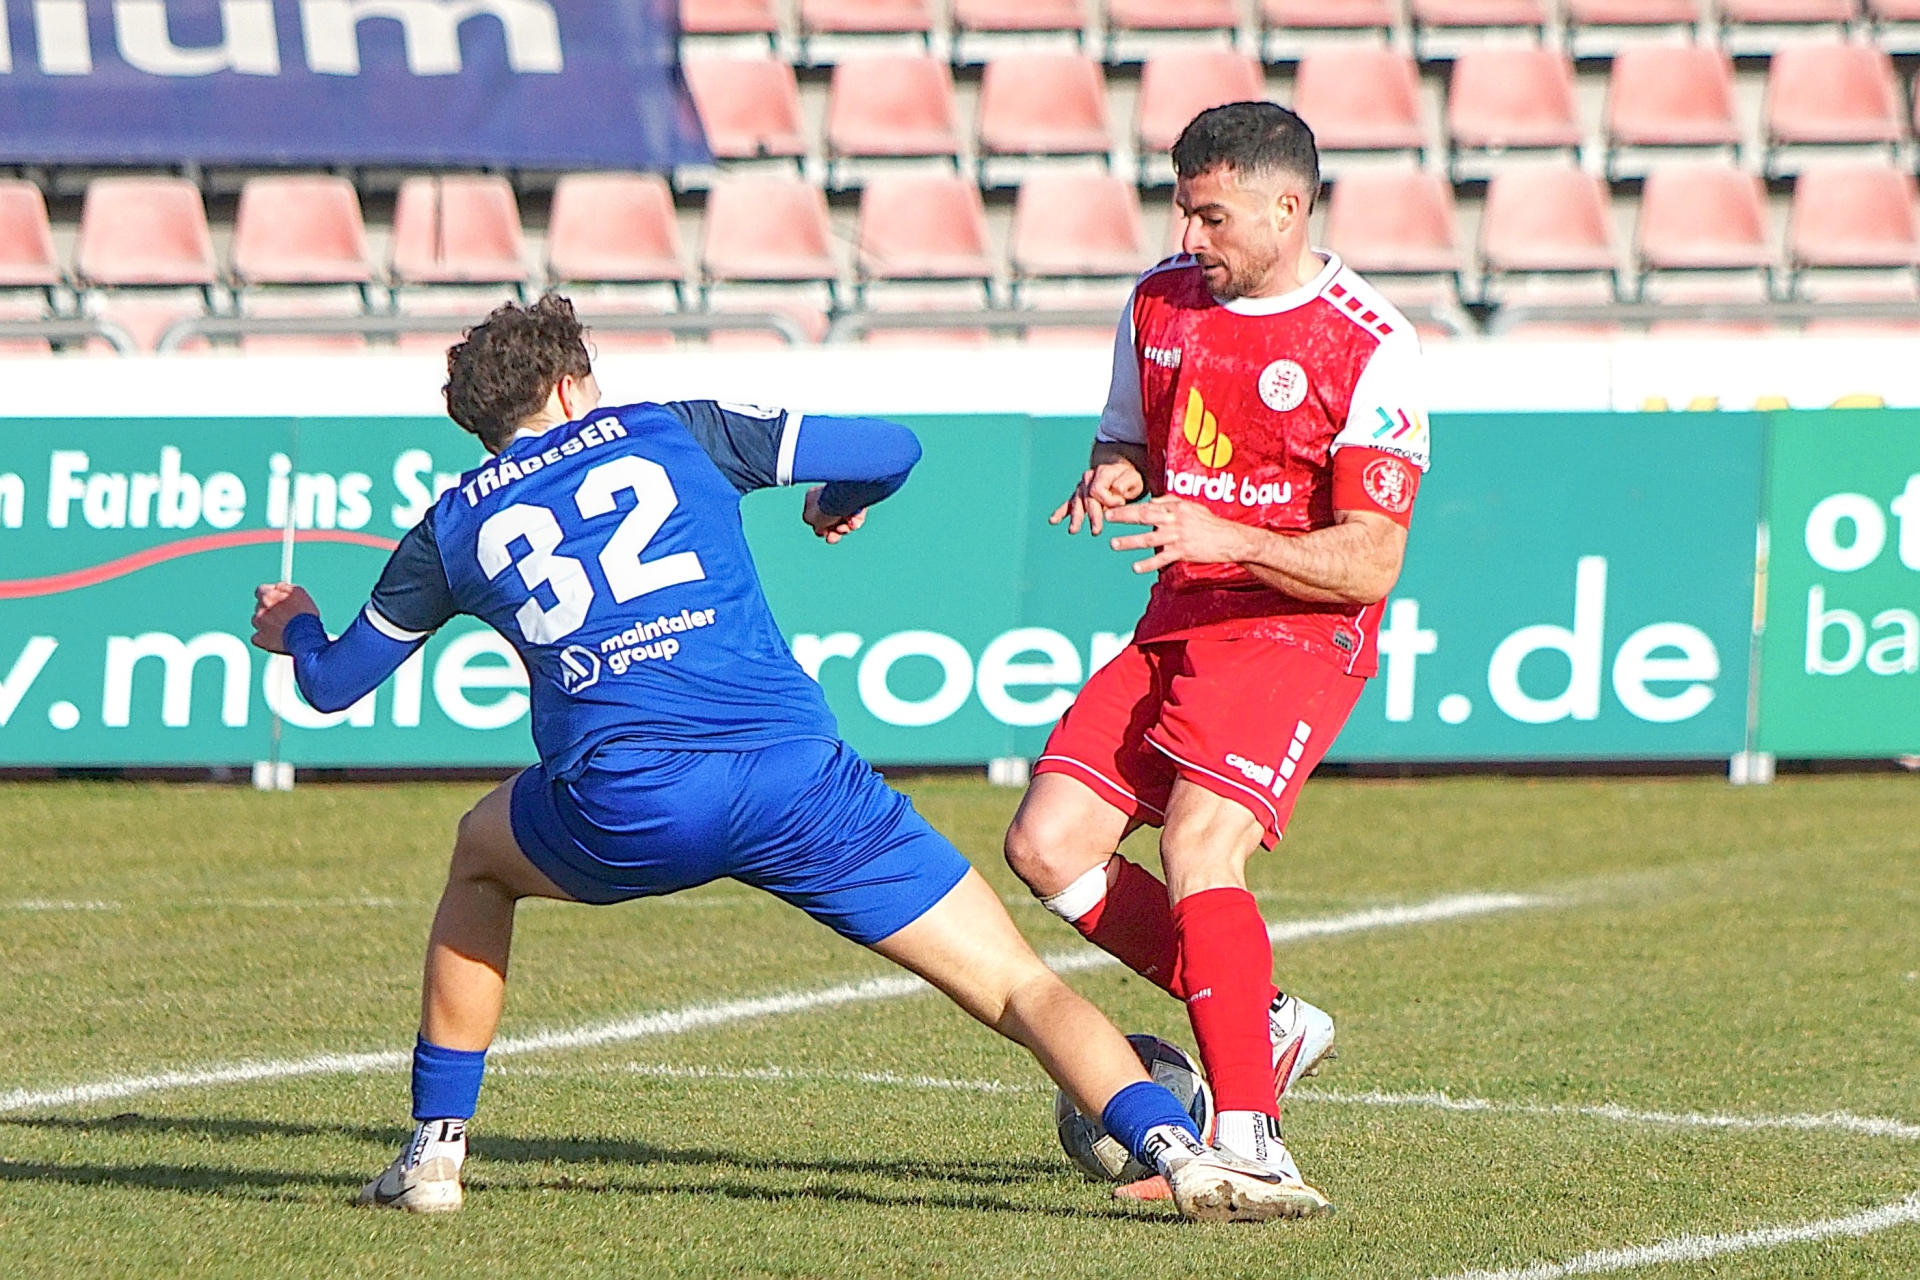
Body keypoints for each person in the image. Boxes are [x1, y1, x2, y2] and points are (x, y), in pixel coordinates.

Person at [248, 294, 1325, 1223]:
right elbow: (890, 448)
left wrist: (295, 622)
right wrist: (832, 503)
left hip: (628, 805)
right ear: (575, 386)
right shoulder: (678, 428)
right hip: (798, 785)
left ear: (480, 424)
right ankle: (1181, 1153)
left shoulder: (453, 523)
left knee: (479, 852)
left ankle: (436, 1149)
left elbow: (334, 684)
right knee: (1013, 982)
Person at [1002, 102, 1430, 1208]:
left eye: (1213, 216)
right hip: (1179, 615)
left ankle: (1252, 1139)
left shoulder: (1368, 341)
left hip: (1294, 627)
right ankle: (1267, 1020)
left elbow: (1371, 561)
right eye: (1184, 211)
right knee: (1047, 844)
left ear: (1288, 208)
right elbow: (1130, 437)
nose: (1191, 237)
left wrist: (1226, 535)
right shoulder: (1158, 302)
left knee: (1201, 841)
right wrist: (1114, 475)